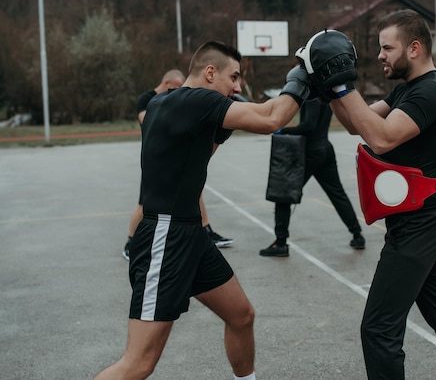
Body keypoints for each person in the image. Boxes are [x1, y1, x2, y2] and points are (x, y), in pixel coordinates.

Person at [94, 41, 309, 380]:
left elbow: (197, 154)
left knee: (241, 315)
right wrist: (303, 76)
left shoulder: (163, 102)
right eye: (233, 77)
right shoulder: (197, 100)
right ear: (210, 73)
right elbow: (271, 119)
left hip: (189, 233)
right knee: (138, 364)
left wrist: (224, 125)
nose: (237, 87)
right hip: (165, 237)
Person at [302, 11, 436, 379]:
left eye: (388, 48)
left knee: (378, 328)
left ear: (414, 48)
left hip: (421, 224)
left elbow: (382, 139)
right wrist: (329, 90)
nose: (380, 55)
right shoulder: (408, 89)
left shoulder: (432, 91)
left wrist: (342, 86)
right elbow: (358, 125)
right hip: (416, 219)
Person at [123, 69, 232, 260]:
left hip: (176, 156)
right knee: (144, 204)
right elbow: (146, 119)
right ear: (166, 84)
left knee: (194, 193)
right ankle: (131, 242)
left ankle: (207, 230)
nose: (179, 91)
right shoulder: (148, 99)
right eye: (176, 88)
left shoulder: (175, 100)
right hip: (156, 159)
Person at [259, 98, 365, 257]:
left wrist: (284, 130)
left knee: (284, 195)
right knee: (337, 194)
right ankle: (357, 235)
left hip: (311, 152)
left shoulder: (313, 98)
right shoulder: (326, 96)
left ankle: (280, 243)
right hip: (325, 148)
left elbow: (309, 126)